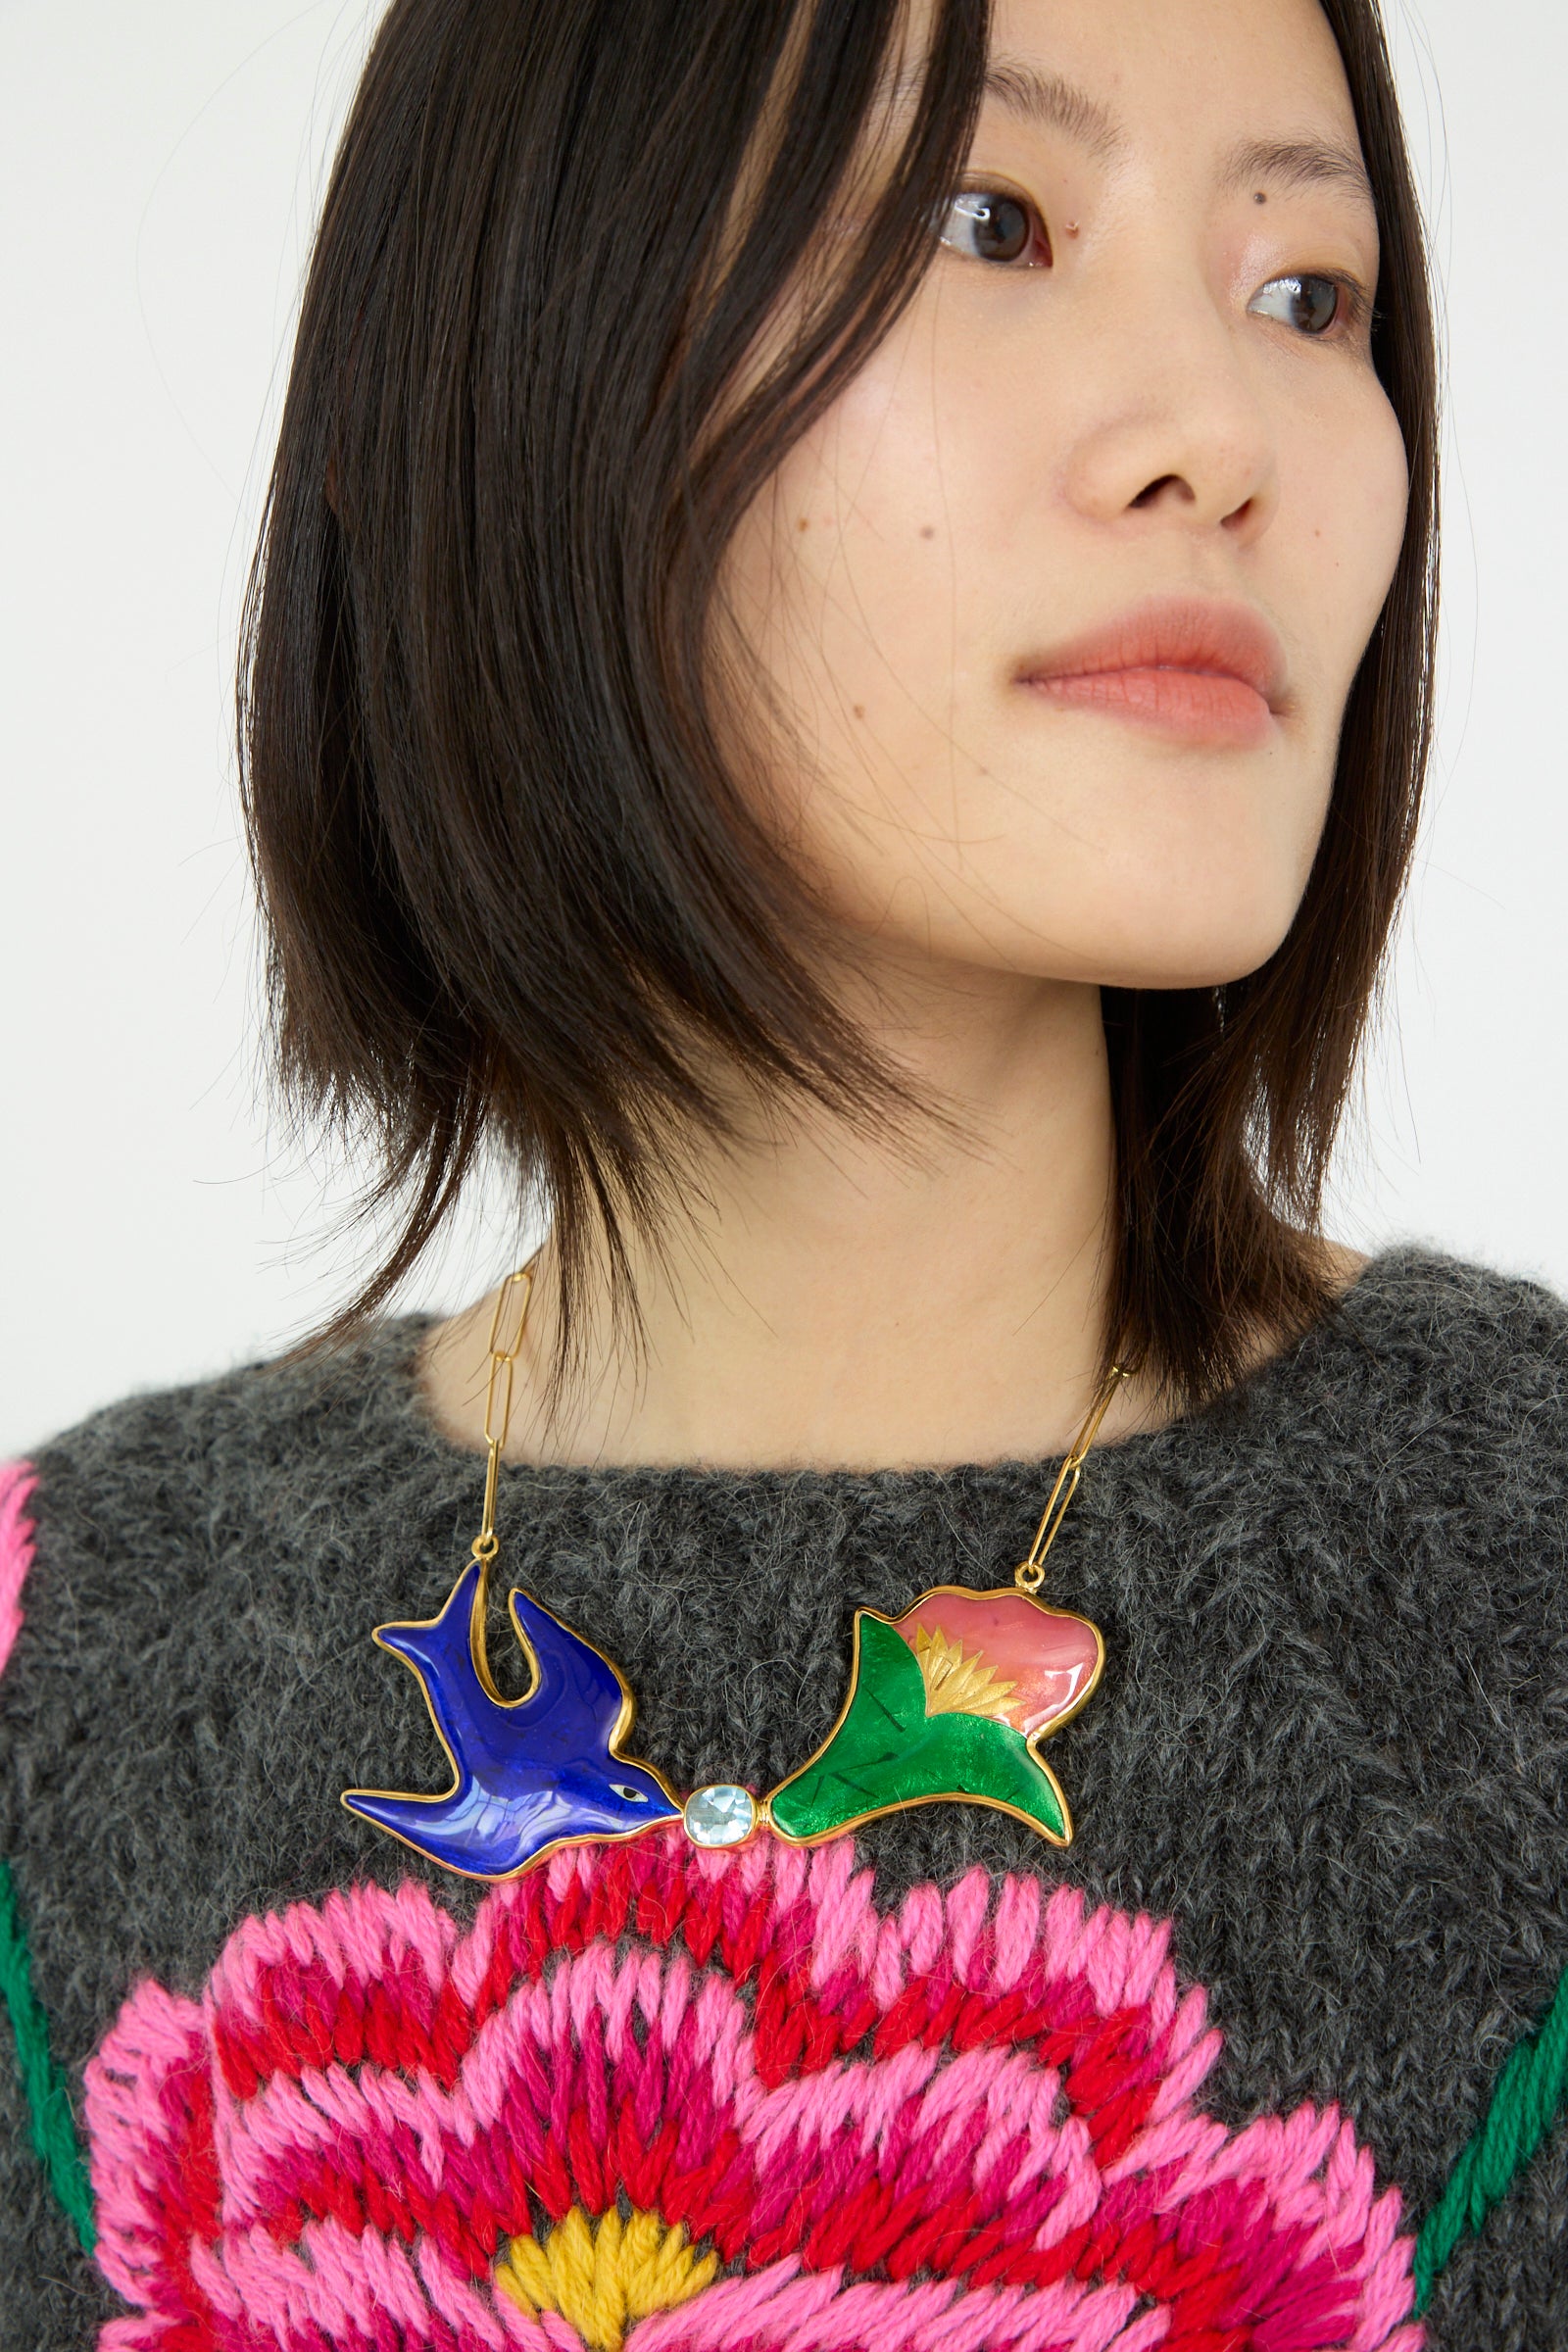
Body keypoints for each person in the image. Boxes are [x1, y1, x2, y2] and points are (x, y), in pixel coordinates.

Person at [3, 0, 1564, 2344]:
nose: (1219, 440)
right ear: (516, 358)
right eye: (986, 220)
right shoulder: (62, 1683)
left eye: (1304, 292)